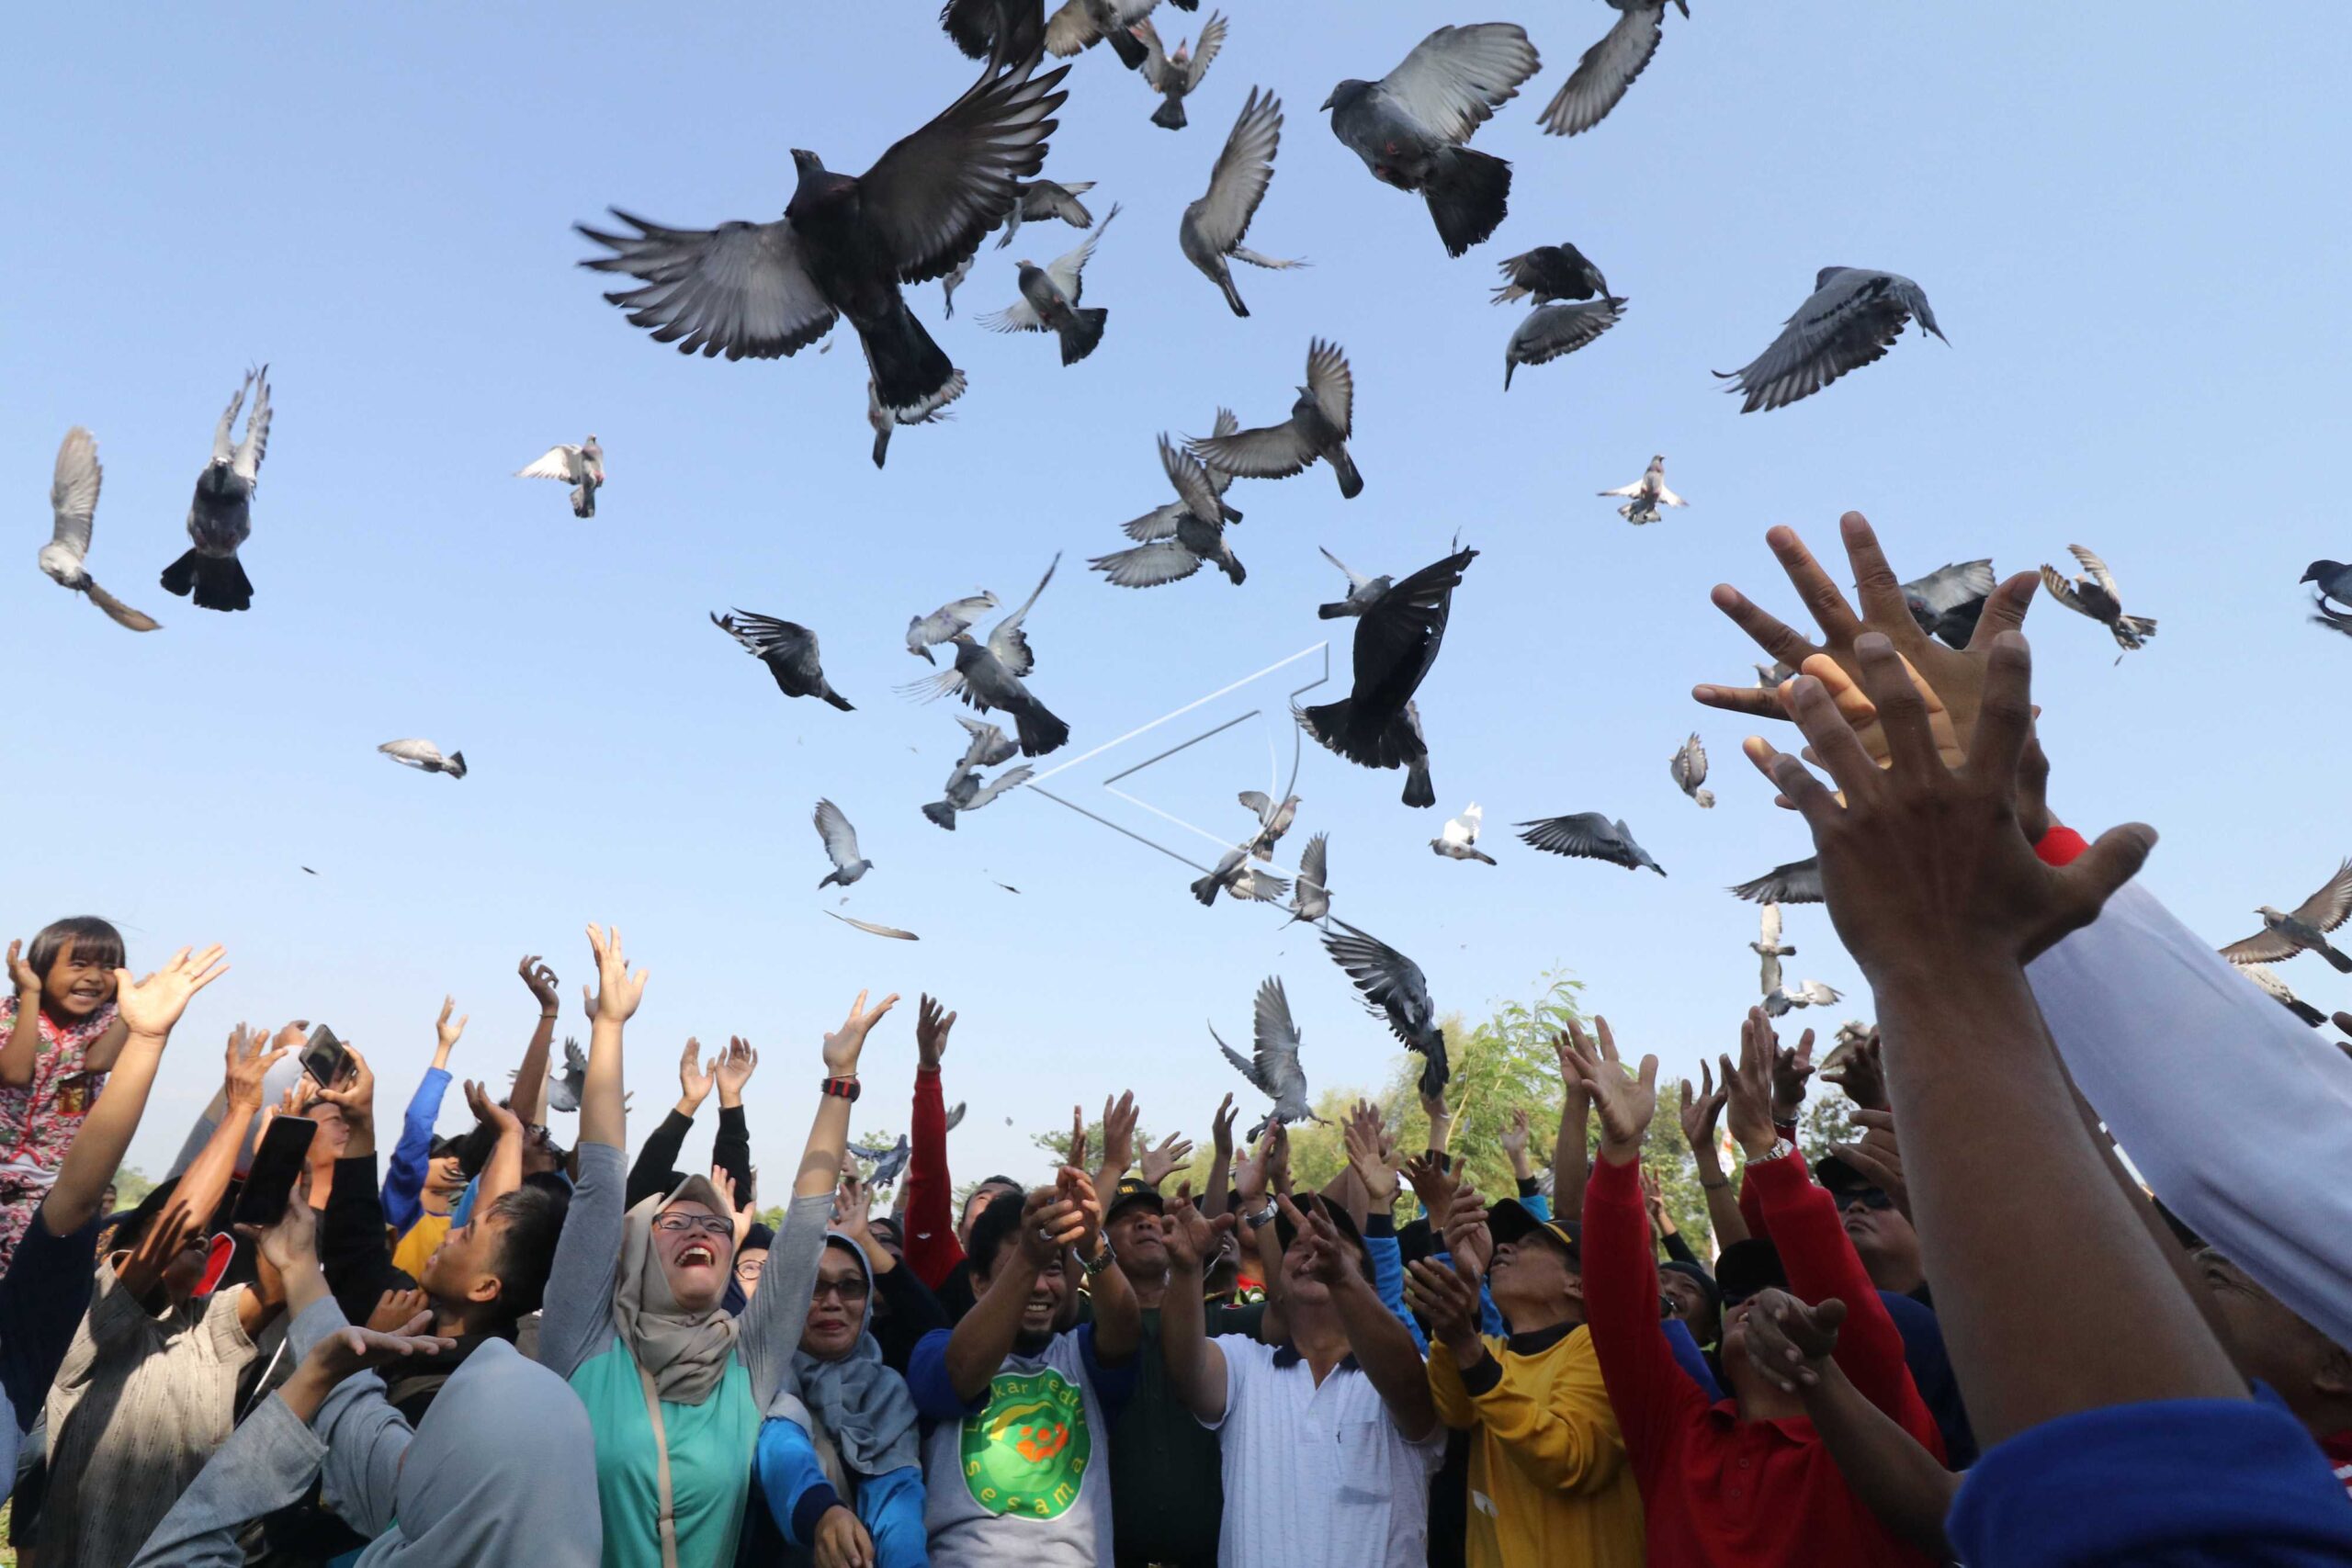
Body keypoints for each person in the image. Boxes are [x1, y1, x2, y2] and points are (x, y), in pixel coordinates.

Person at [1736, 589, 2352, 1561]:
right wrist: (2019, 854)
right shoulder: (2278, 1460)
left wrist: (1944, 961)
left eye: (2228, 1269)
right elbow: (2281, 1139)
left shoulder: (2252, 1496)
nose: (2183, 1276)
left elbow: (2273, 1149)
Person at [535, 925, 871, 1568]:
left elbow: (804, 1226)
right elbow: (601, 1183)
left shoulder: (747, 1365)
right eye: (676, 1221)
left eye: (717, 1225)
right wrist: (609, 1025)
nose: (701, 1230)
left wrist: (840, 1079)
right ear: (636, 1249)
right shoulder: (583, 1344)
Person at [1564, 1011, 1945, 1568]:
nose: (1756, 1299)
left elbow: (1854, 1312)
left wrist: (1766, 1144)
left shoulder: (1879, 1442)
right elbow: (1618, 1310)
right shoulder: (1676, 1434)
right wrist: (1620, 1152)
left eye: (1785, 1292)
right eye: (1739, 1293)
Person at [130, 1186, 600, 1566]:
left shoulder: (423, 1464)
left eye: (421, 1453)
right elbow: (359, 1415)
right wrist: (298, 1264)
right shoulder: (439, 1503)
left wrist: (319, 1376)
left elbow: (176, 1553)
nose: (451, 1233)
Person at [40, 1017, 297, 1567]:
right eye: (169, 1227)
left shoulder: (209, 1329)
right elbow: (182, 1223)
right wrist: (241, 1110)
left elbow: (282, 1284)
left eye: (204, 1233)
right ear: (133, 1246)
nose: (199, 1235)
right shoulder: (93, 1325)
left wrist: (288, 1159)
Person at [0, 942, 226, 1487]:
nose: (91, 977)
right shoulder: (15, 1017)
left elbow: (78, 1195)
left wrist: (145, 1039)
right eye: (77, 964)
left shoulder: (18, 1347)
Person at [1158, 1188, 1445, 1568]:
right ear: (1278, 1290)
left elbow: (1408, 1388)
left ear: (1368, 1289)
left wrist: (1340, 1277)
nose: (1311, 1250)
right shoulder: (1246, 1365)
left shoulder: (1401, 1372)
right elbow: (1186, 1369)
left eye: (1331, 1243)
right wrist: (1185, 1270)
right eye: (1296, 1246)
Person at [1406, 1154, 1643, 1568]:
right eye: (1506, 1242)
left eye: (1531, 1243)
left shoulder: (1602, 1350)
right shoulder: (1491, 1354)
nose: (1503, 1247)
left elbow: (1568, 1459)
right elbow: (1455, 1412)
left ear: (1578, 1284)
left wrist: (1469, 1349)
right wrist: (1466, 1287)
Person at [906, 1168, 1140, 1566]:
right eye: (1018, 1267)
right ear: (978, 1283)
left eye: (1053, 1270)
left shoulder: (1082, 1355)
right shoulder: (935, 1350)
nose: (1041, 1286)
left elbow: (1126, 1329)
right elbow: (962, 1372)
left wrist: (1092, 1246)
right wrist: (1030, 1258)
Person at [752, 1227, 931, 1568]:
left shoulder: (888, 1392)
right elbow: (780, 1447)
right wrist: (822, 1514)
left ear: (868, 1301)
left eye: (850, 1286)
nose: (833, 1302)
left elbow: (898, 1498)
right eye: (814, 1286)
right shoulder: (764, 1375)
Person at [1, 917, 130, 1269]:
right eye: (79, 964)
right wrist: (30, 994)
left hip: (50, 1180)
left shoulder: (107, 1020)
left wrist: (132, 1011)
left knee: (22, 1269)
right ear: (41, 968)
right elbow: (14, 1073)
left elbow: (99, 1062)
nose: (94, 977)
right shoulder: (8, 1013)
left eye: (108, 967)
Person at [627, 1034, 757, 1209]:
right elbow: (645, 1181)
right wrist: (690, 1101)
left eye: (709, 1220)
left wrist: (730, 1096)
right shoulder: (636, 1224)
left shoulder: (729, 1225)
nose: (694, 1223)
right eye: (677, 1220)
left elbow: (734, 1203)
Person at [379, 995, 469, 1246]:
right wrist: (444, 1048)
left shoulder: (467, 1226)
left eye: (457, 1155)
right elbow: (418, 1125)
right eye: (442, 1154)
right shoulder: (400, 1213)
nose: (453, 1160)